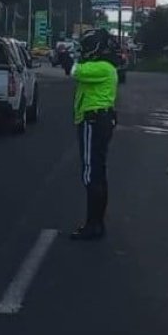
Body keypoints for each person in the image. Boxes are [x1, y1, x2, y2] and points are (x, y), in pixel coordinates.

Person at [69, 28, 120, 241]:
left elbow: (76, 71)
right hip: (99, 120)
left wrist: (72, 59)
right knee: (98, 172)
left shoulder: (102, 67)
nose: (83, 52)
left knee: (91, 174)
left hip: (93, 121)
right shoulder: (106, 66)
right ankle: (97, 223)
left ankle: (93, 225)